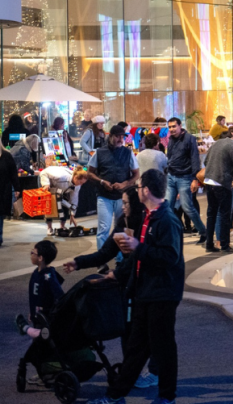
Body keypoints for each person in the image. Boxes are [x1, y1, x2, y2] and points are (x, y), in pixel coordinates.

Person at [88, 169, 185, 404]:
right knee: (136, 349)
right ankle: (115, 395)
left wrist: (137, 247)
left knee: (163, 349)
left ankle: (166, 397)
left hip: (162, 293)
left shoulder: (166, 220)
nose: (137, 189)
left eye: (140, 186)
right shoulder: (151, 216)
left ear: (146, 191)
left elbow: (170, 257)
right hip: (146, 292)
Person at [63, 186, 158, 389]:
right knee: (129, 329)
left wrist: (117, 273)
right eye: (122, 203)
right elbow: (105, 253)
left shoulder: (147, 224)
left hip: (149, 286)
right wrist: (78, 262)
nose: (122, 207)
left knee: (150, 331)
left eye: (125, 203)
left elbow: (138, 260)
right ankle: (134, 374)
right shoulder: (124, 223)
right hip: (129, 285)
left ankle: (152, 374)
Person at [15, 240, 64, 387]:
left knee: (42, 347)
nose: (30, 255)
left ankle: (45, 373)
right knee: (40, 346)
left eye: (33, 253)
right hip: (38, 316)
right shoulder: (37, 273)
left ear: (40, 258)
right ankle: (45, 372)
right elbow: (34, 296)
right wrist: (32, 311)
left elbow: (59, 295)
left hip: (46, 319)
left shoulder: (48, 275)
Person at [196, 129, 233, 252]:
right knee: (224, 215)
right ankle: (225, 245)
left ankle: (209, 244)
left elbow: (206, 161)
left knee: (211, 214)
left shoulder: (217, 143)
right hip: (222, 183)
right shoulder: (232, 147)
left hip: (209, 182)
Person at [88, 125, 141, 249]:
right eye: (117, 136)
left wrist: (124, 184)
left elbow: (136, 174)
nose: (120, 139)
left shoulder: (128, 152)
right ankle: (101, 261)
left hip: (122, 198)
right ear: (110, 136)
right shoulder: (99, 152)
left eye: (122, 137)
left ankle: (120, 260)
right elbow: (89, 173)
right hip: (104, 196)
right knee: (103, 229)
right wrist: (102, 181)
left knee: (121, 228)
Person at [166, 117, 206, 245]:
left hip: (185, 177)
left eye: (174, 126)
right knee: (167, 207)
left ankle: (203, 232)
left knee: (187, 207)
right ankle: (169, 235)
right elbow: (170, 157)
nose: (171, 129)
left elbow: (195, 159)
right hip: (171, 176)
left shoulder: (189, 139)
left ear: (180, 126)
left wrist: (195, 179)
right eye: (170, 127)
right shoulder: (171, 139)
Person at [0, 146, 17, 246]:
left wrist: (17, 187)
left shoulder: (6, 156)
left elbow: (13, 173)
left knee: (0, 213)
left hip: (3, 190)